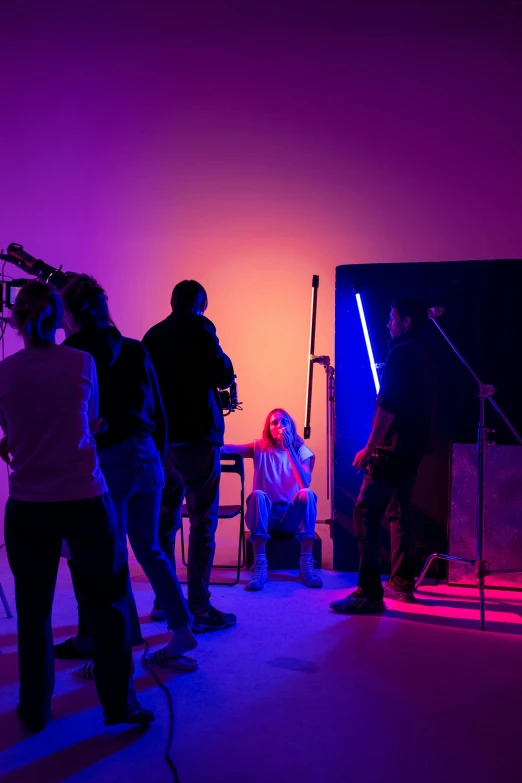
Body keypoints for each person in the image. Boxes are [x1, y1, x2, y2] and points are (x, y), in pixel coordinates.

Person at [0, 281, 153, 731]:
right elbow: (88, 422)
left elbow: (14, 427)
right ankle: (119, 705)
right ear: (60, 318)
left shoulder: (4, 372)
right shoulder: (82, 362)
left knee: (33, 611)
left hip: (28, 504)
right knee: (107, 605)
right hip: (85, 497)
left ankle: (34, 709)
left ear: (15, 321)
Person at [57, 274, 197, 671]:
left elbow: (74, 414)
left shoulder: (72, 352)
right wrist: (161, 456)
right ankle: (182, 630)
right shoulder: (136, 349)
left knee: (111, 556)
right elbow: (160, 411)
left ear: (70, 312)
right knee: (150, 548)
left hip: (109, 460)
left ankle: (122, 646)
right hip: (147, 454)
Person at [330, 297, 435, 615]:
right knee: (399, 511)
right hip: (414, 446)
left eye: (393, 317)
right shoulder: (423, 352)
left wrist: (371, 446)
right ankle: (402, 583)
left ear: (406, 321)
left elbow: (388, 405)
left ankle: (369, 591)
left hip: (394, 447)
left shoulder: (401, 354)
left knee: (365, 511)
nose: (388, 323)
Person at [143, 280, 236, 632]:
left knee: (164, 525)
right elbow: (222, 374)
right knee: (202, 524)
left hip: (164, 441)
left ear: (171, 301)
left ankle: (164, 602)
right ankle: (199, 607)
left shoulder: (152, 335)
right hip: (199, 438)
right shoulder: (200, 326)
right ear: (200, 303)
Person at [222, 409, 322, 590]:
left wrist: (289, 448)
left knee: (307, 493)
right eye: (274, 423)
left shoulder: (302, 451)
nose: (279, 426)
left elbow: (304, 482)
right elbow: (229, 449)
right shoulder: (260, 447)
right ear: (268, 428)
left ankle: (306, 563)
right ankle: (260, 565)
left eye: (283, 422)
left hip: (289, 519)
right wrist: (205, 445)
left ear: (291, 425)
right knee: (258, 495)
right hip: (264, 517)